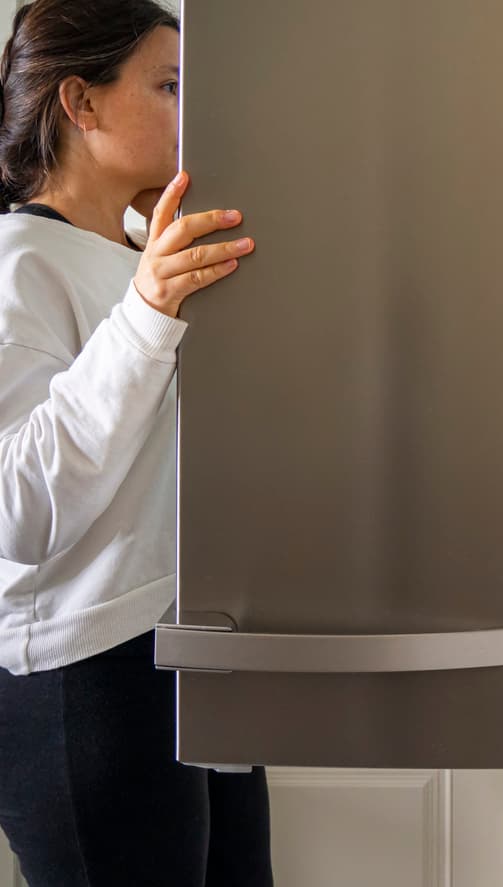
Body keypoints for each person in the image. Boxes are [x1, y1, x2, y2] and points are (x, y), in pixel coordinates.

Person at [0, 1, 271, 883]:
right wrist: (147, 311)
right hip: (88, 683)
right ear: (80, 103)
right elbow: (18, 510)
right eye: (170, 86)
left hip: (190, 656)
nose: (194, 112)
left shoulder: (130, 256)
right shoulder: (19, 269)